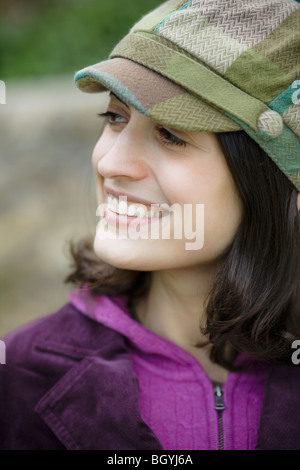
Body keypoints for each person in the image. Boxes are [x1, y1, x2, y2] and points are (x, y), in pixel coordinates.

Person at [1, 0, 300, 451]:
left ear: (276, 179)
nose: (112, 163)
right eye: (116, 117)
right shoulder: (18, 377)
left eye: (171, 135)